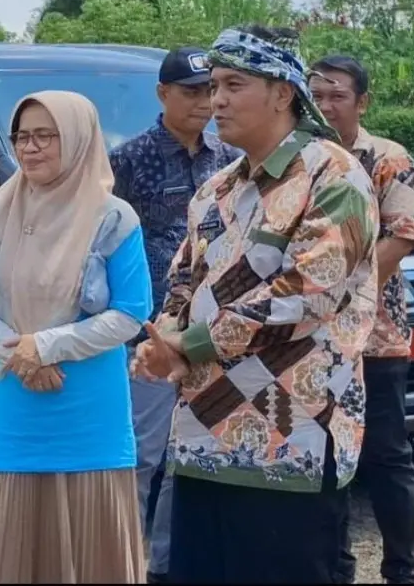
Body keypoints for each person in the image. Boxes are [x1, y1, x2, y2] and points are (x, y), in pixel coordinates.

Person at [135, 25, 380, 584]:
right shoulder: (218, 189)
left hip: (293, 438)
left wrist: (189, 344)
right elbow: (184, 279)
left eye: (233, 85)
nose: (216, 100)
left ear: (282, 93)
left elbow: (307, 295)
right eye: (213, 86)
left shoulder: (333, 175)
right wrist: (165, 338)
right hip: (203, 435)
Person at [0, 90, 153, 584]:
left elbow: (130, 315)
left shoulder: (113, 218)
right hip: (7, 404)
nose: (30, 147)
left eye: (45, 135)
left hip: (86, 410)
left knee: (87, 542)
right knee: (9, 540)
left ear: (79, 139)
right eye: (22, 136)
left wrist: (44, 346)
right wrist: (20, 355)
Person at [108, 46, 242, 585]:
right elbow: (104, 242)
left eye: (211, 90)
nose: (204, 102)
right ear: (162, 94)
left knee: (191, 456)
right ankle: (120, 558)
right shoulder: (129, 159)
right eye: (191, 92)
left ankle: (164, 564)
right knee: (142, 453)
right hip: (150, 332)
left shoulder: (228, 158)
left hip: (215, 329)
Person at [311, 55, 414, 585]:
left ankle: (401, 571)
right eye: (317, 96)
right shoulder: (302, 159)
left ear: (362, 102)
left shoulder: (388, 158)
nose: (325, 106)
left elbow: (402, 237)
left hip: (376, 339)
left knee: (386, 457)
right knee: (324, 458)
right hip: (311, 340)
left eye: (337, 96)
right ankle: (335, 569)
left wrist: (341, 294)